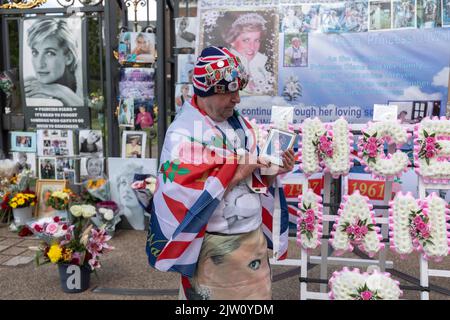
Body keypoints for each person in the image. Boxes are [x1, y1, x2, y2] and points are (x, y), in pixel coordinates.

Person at [147, 46, 294, 300]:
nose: (237, 99)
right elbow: (181, 192)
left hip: (251, 241)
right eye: (229, 92)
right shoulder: (182, 134)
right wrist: (236, 171)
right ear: (207, 92)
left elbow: (253, 180)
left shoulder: (240, 124)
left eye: (238, 91)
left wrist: (272, 170)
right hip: (213, 248)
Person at [24, 18, 83, 107]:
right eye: (35, 52)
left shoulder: (81, 72)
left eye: (49, 53)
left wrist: (59, 90)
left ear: (68, 58)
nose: (39, 64)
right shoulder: (32, 84)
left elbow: (89, 112)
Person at [222, 13, 274, 95]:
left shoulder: (262, 64)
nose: (252, 47)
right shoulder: (225, 66)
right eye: (246, 40)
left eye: (256, 40)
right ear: (232, 41)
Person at [115, 162, 146, 230]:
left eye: (134, 183)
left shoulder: (152, 223)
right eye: (123, 183)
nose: (126, 189)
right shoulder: (115, 225)